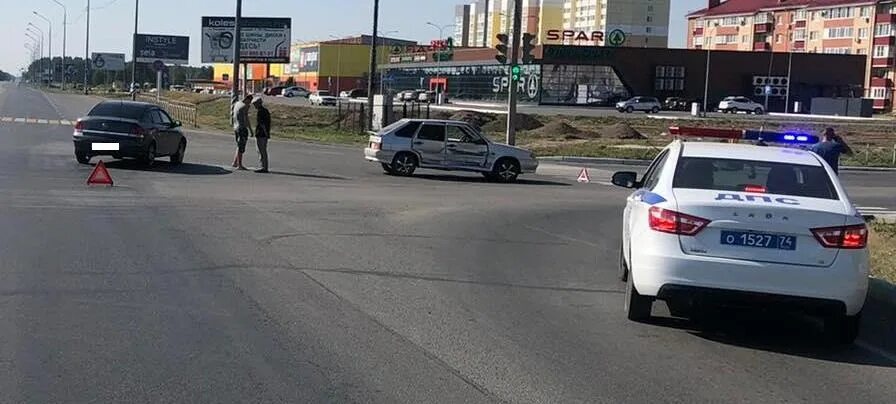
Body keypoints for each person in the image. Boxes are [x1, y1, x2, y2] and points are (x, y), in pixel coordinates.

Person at [231, 94, 253, 170]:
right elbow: (246, 119)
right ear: (247, 100)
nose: (249, 104)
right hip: (242, 128)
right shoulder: (244, 106)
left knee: (239, 144)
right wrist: (250, 130)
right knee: (241, 146)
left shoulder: (237, 103)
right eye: (249, 102)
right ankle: (239, 165)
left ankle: (235, 162)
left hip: (236, 127)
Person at [252, 97, 271, 173]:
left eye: (254, 104)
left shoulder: (260, 112)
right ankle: (263, 166)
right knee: (262, 150)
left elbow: (262, 124)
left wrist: (266, 133)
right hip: (263, 134)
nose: (254, 106)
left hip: (261, 134)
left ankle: (263, 167)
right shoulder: (265, 111)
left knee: (261, 150)